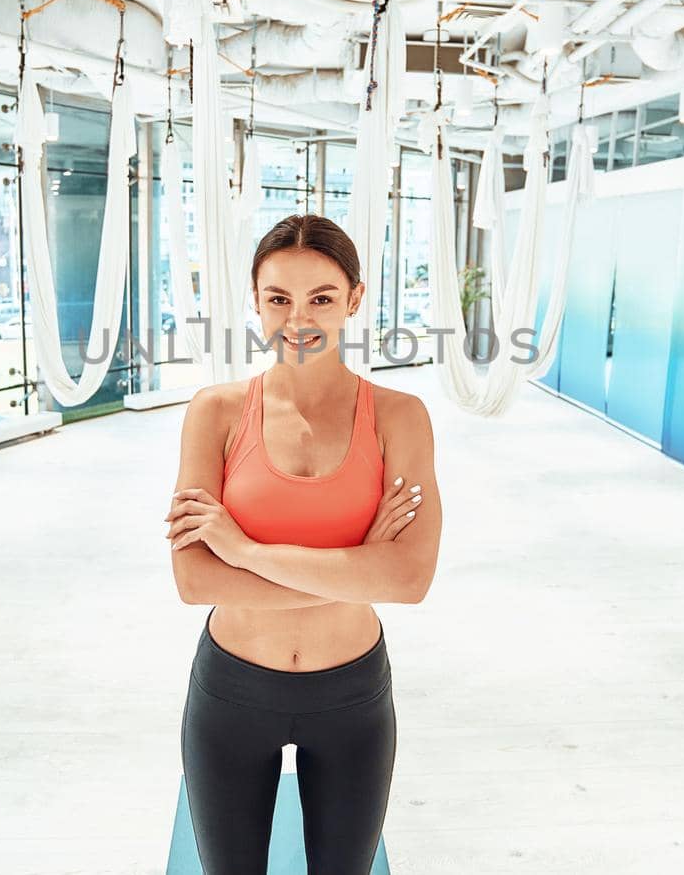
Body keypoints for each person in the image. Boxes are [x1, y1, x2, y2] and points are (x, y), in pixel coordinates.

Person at [165, 213, 442, 875]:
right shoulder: (216, 412)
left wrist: (248, 549)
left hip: (351, 697)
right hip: (231, 690)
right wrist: (358, 566)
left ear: (353, 298)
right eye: (278, 298)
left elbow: (410, 579)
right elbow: (193, 580)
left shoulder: (400, 417)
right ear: (256, 303)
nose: (299, 317)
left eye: (320, 296)